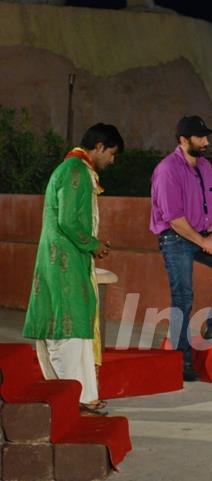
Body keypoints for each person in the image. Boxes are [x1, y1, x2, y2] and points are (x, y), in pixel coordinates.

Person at [23, 123, 124, 416]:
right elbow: (68, 220)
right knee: (67, 327)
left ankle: (82, 396)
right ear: (100, 147)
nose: (112, 161)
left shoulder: (75, 170)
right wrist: (92, 245)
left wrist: (91, 246)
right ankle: (73, 397)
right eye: (112, 154)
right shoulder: (75, 171)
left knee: (76, 327)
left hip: (68, 258)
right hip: (63, 261)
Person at [150, 115, 212, 382]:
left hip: (201, 235)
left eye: (206, 137)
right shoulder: (167, 170)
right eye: (200, 137)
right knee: (183, 297)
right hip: (175, 238)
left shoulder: (205, 166)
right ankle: (182, 361)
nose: (206, 142)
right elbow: (174, 219)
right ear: (184, 140)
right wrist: (203, 241)